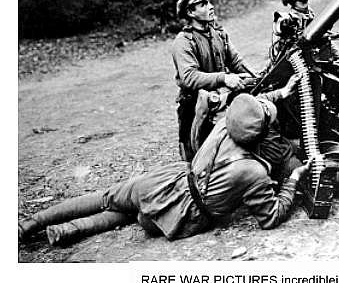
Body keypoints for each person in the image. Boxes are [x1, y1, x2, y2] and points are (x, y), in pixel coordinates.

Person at [18, 76, 309, 247]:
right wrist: (293, 181)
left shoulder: (227, 123)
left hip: (167, 181)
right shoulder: (254, 171)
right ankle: (66, 231)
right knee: (136, 217)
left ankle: (30, 225)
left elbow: (249, 107)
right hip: (183, 218)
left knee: (109, 198)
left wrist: (278, 93)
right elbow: (270, 217)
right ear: (261, 133)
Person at [172, 0, 255, 162]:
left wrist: (255, 77)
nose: (210, 7)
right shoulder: (184, 41)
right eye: (203, 4)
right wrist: (224, 78)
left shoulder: (218, 32)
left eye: (209, 2)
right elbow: (189, 78)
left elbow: (235, 61)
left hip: (219, 102)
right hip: (194, 108)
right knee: (196, 162)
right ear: (190, 12)